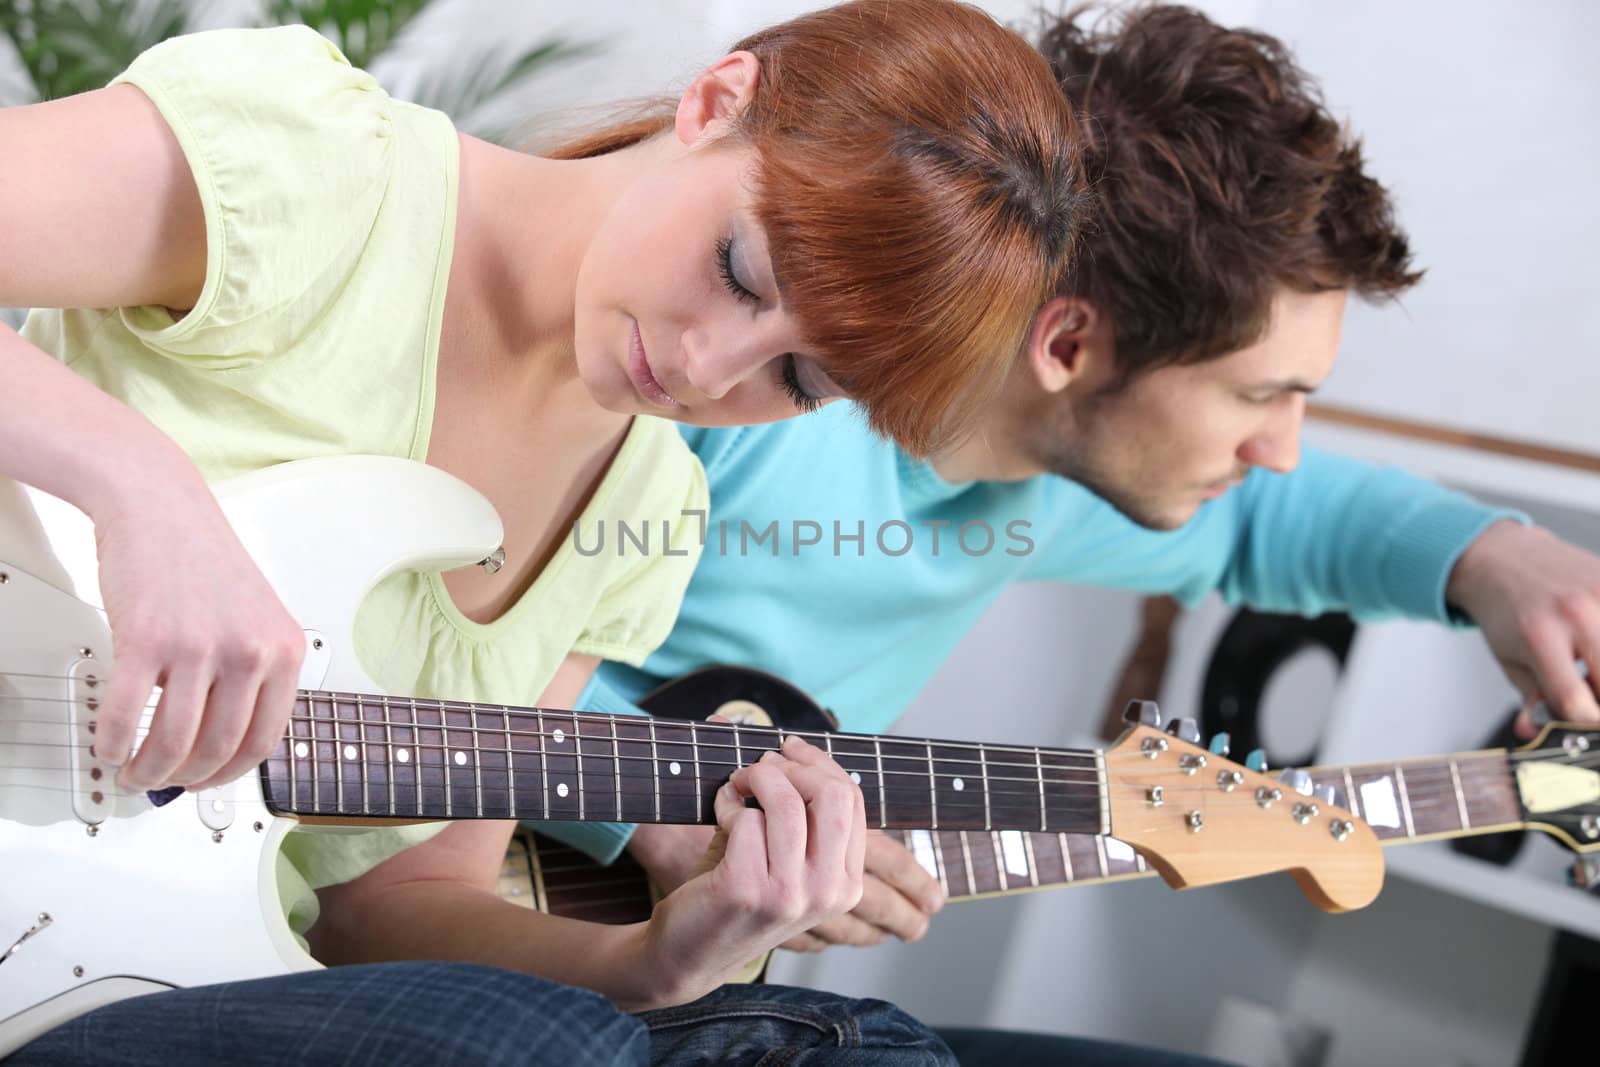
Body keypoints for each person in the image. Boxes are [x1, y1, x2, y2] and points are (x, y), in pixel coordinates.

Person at [0, 1, 1085, 1061]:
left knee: (866, 1047)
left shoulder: (648, 510)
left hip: (104, 973)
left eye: (799, 378)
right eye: (740, 270)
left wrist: (663, 958)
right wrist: (145, 488)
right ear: (716, 100)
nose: (710, 367)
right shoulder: (315, 164)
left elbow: (380, 907)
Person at [558, 0, 1600, 1032]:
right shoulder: (721, 377)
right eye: (1257, 393)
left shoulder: (1048, 479)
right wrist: (651, 807)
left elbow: (1274, 524)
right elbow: (421, 634)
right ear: (1067, 348)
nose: (1279, 447)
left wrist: (1497, 556)